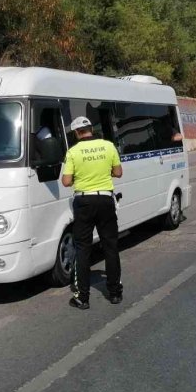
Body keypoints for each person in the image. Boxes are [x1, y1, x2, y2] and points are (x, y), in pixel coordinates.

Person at [61, 116, 123, 310]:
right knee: (110, 246)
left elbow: (66, 181)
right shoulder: (108, 146)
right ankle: (114, 293)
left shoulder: (73, 151)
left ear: (77, 133)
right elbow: (118, 172)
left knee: (83, 248)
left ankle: (83, 297)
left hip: (84, 201)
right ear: (90, 130)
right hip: (105, 199)